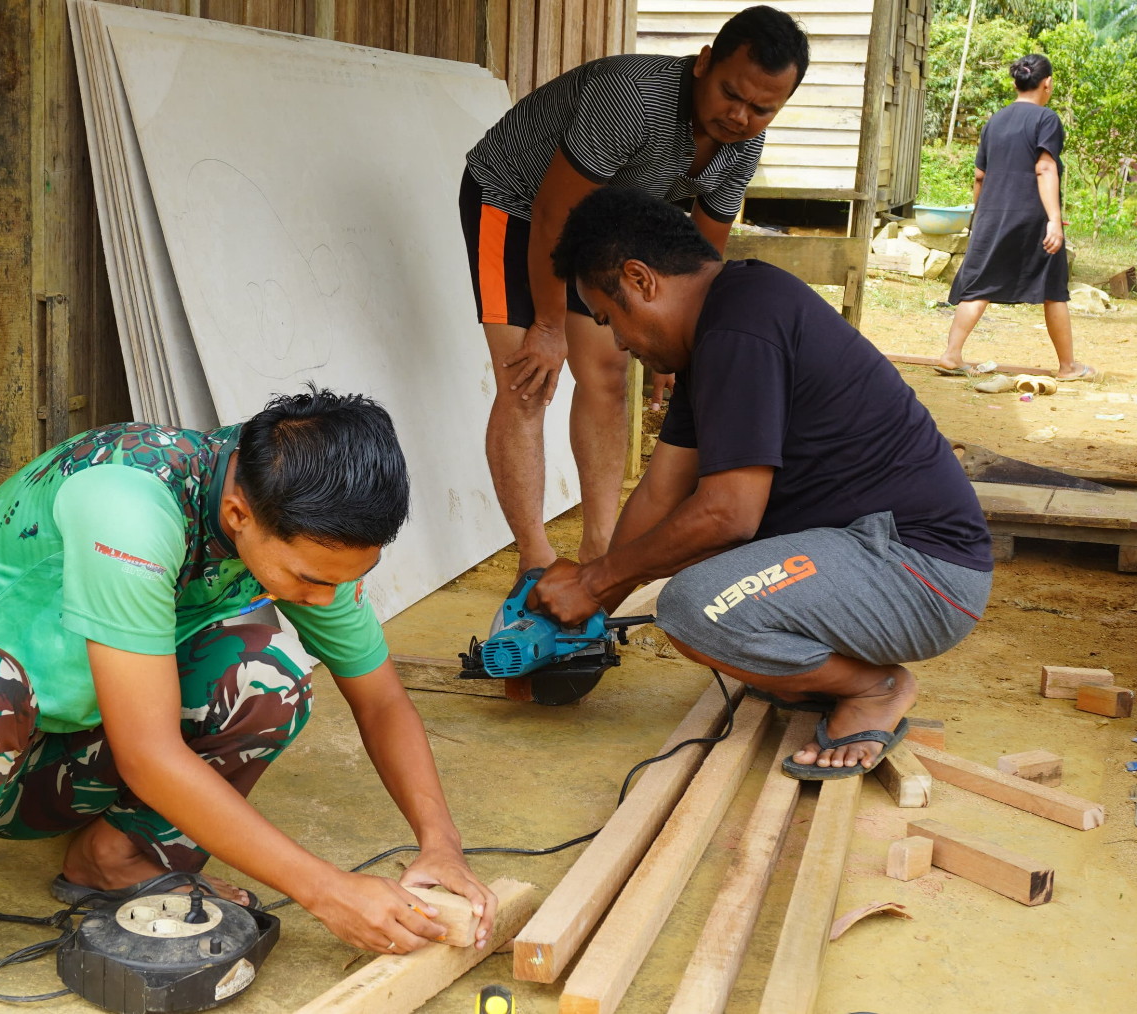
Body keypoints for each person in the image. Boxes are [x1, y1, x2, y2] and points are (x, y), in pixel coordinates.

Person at [0, 388, 496, 1014]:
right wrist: (327, 892)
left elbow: (380, 700)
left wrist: (441, 845)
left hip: (62, 749)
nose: (326, 599)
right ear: (240, 515)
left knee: (262, 676)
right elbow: (148, 757)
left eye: (347, 580)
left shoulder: (289, 505)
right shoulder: (128, 504)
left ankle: (115, 857)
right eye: (309, 578)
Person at [527, 188, 993, 778]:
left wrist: (594, 581)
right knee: (707, 592)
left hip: (920, 573)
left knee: (693, 608)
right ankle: (826, 676)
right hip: (871, 555)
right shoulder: (719, 330)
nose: (618, 341)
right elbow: (660, 491)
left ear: (641, 280)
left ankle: (875, 687)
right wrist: (586, 616)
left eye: (609, 318)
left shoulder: (740, 326)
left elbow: (728, 516)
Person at [460, 6, 809, 573]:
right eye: (731, 94)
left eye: (762, 109)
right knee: (529, 376)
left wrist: (676, 342)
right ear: (703, 65)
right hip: (519, 200)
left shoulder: (742, 143)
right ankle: (535, 560)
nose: (740, 115)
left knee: (608, 372)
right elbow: (554, 213)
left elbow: (701, 257)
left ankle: (599, 547)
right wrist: (548, 327)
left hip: (610, 218)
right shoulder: (630, 96)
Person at [935, 53, 1095, 382]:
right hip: (1032, 217)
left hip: (991, 215)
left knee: (979, 285)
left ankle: (952, 355)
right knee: (1053, 288)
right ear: (1047, 83)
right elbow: (1045, 167)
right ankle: (1067, 367)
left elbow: (980, 176)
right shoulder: (1046, 119)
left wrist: (979, 218)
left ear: (1015, 83)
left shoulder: (995, 121)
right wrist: (1054, 219)